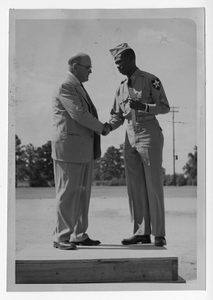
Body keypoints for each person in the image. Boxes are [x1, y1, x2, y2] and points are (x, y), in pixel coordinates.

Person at [107, 43, 170, 246]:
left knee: (153, 184)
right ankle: (141, 232)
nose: (117, 66)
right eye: (115, 63)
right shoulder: (121, 88)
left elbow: (164, 107)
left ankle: (159, 233)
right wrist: (105, 127)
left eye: (119, 62)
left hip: (149, 132)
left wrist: (144, 106)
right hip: (130, 135)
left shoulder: (151, 80)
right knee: (135, 187)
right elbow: (117, 116)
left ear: (131, 59)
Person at [51, 52, 111, 250]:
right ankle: (61, 236)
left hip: (81, 149)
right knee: (68, 192)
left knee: (82, 193)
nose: (91, 71)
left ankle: (78, 234)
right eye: (88, 68)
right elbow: (78, 113)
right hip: (69, 149)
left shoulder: (77, 86)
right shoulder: (66, 85)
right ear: (76, 66)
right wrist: (101, 127)